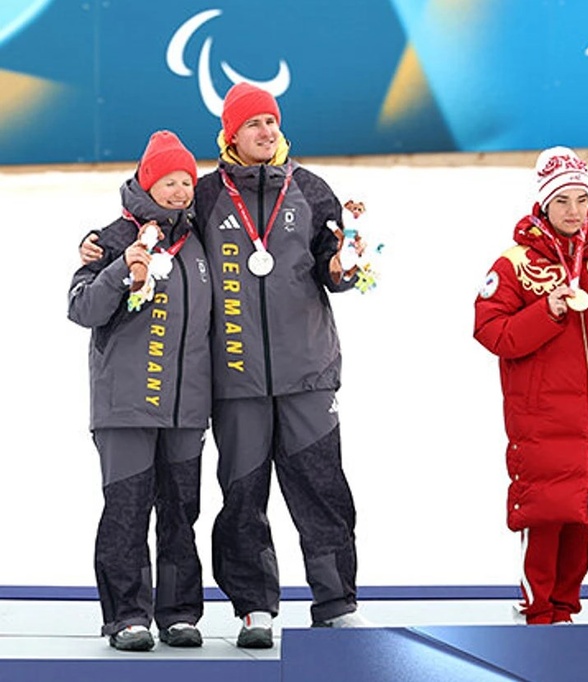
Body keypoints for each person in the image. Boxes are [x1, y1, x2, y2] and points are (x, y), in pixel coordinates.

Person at [194, 82, 368, 646]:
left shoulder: (312, 191)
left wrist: (343, 268)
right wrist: (98, 242)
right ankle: (254, 607)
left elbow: (333, 268)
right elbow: (152, 223)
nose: (266, 133)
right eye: (253, 125)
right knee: (242, 496)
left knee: (321, 490)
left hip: (307, 375)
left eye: (271, 122)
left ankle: (336, 600)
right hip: (235, 378)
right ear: (231, 135)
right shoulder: (204, 197)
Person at [474, 146, 588, 625]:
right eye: (562, 202)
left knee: (583, 519)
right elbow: (493, 332)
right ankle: (538, 610)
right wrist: (546, 311)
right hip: (543, 422)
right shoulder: (514, 264)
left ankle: (566, 611)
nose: (574, 212)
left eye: (581, 200)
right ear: (544, 204)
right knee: (545, 518)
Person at [68, 131, 211, 651]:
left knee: (181, 513)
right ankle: (127, 615)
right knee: (126, 512)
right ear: (149, 183)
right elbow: (80, 307)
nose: (179, 191)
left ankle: (178, 613)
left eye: (186, 182)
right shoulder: (108, 238)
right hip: (124, 406)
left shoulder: (201, 241)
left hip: (186, 407)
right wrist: (117, 270)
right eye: (169, 182)